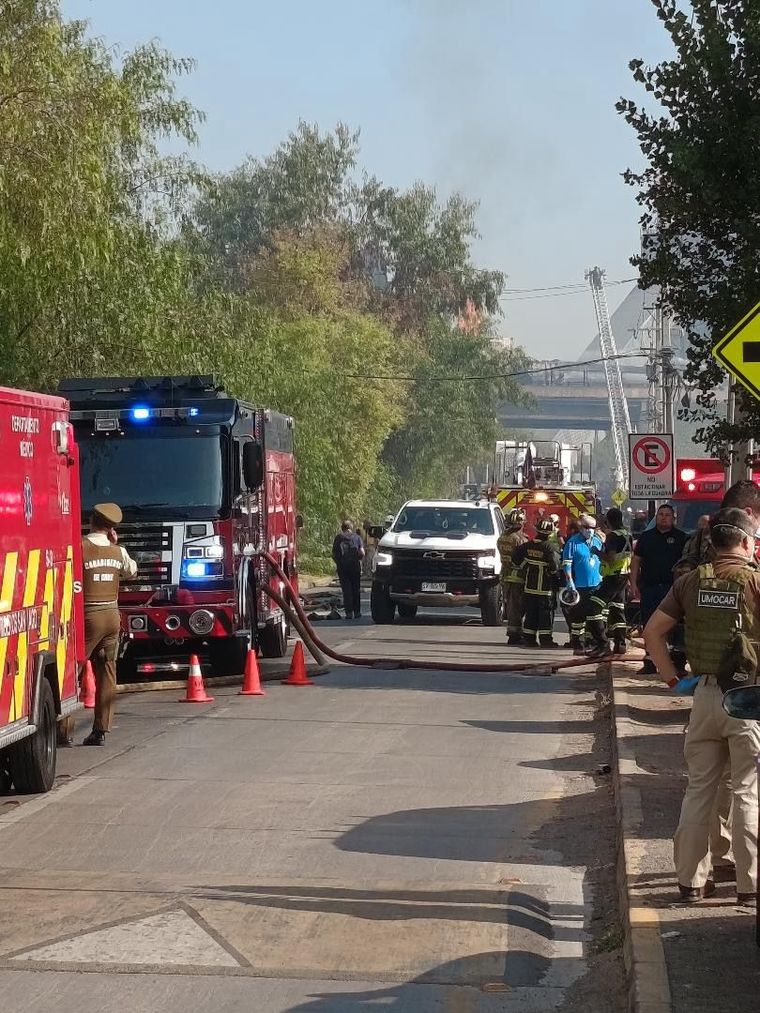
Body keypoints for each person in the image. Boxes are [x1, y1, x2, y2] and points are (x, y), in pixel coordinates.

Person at [643, 508, 760, 905]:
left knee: (699, 791)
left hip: (704, 697)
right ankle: (749, 885)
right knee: (746, 791)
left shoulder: (691, 582)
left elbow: (652, 633)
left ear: (712, 543)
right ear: (746, 543)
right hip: (749, 699)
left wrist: (673, 680)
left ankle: (691, 882)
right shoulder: (756, 583)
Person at [81, 503, 137, 746]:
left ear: (92, 521)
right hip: (111, 617)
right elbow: (132, 572)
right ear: (111, 528)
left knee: (71, 670)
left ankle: (62, 727)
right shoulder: (118, 551)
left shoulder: (81, 547)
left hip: (87, 616)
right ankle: (101, 729)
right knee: (107, 670)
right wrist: (114, 545)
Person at [629, 504, 687, 674]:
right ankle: (650, 663)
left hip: (673, 589)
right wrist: (633, 584)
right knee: (649, 625)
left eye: (667, 515)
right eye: (661, 514)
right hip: (650, 588)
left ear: (673, 518)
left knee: (676, 626)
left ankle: (678, 664)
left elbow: (686, 565)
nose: (663, 517)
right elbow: (636, 562)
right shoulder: (646, 538)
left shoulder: (682, 538)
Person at [562, 513, 606, 658]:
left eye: (593, 528)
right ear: (581, 527)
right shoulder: (573, 543)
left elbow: (604, 560)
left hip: (596, 585)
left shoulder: (597, 541)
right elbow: (567, 565)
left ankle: (594, 643)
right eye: (587, 527)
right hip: (579, 587)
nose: (590, 530)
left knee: (595, 616)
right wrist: (570, 584)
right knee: (577, 619)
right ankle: (578, 645)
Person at [590, 507, 632, 656]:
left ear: (608, 521)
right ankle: (620, 644)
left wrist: (596, 551)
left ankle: (602, 644)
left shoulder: (613, 536)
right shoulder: (628, 535)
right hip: (623, 576)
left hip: (612, 577)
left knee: (593, 606)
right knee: (617, 608)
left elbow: (611, 557)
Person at [513, 518, 561, 648]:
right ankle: (546, 640)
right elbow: (554, 567)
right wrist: (557, 582)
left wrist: (525, 565)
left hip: (530, 588)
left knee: (531, 614)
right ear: (550, 533)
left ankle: (529, 639)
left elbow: (516, 559)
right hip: (546, 589)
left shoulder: (527, 545)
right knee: (546, 615)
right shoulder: (550, 548)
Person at [497, 508, 527, 645]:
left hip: (506, 575)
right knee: (516, 606)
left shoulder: (502, 537)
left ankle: (514, 631)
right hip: (517, 576)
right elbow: (523, 558)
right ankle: (514, 634)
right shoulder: (519, 539)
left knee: (510, 605)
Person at [332, 520, 365, 619]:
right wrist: (358, 560)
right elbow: (362, 553)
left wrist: (339, 563)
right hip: (355, 568)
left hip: (343, 568)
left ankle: (349, 613)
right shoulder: (357, 538)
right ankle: (357, 612)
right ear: (351, 527)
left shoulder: (338, 538)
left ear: (342, 528)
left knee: (346, 590)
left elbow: (334, 554)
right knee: (356, 589)